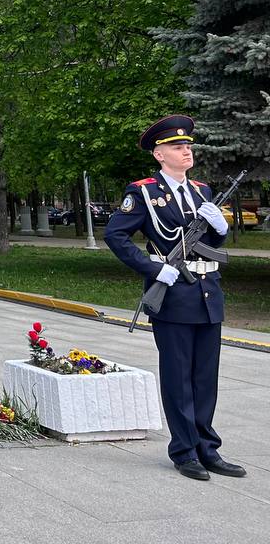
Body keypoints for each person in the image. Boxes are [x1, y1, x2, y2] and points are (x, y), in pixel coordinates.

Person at [104, 115, 245, 481]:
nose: (187, 150)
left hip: (208, 293)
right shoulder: (143, 192)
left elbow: (209, 245)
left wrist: (221, 230)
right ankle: (184, 451)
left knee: (205, 377)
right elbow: (116, 236)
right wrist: (152, 270)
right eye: (178, 146)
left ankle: (207, 448)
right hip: (173, 294)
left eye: (188, 145)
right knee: (179, 376)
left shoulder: (202, 191)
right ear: (159, 154)